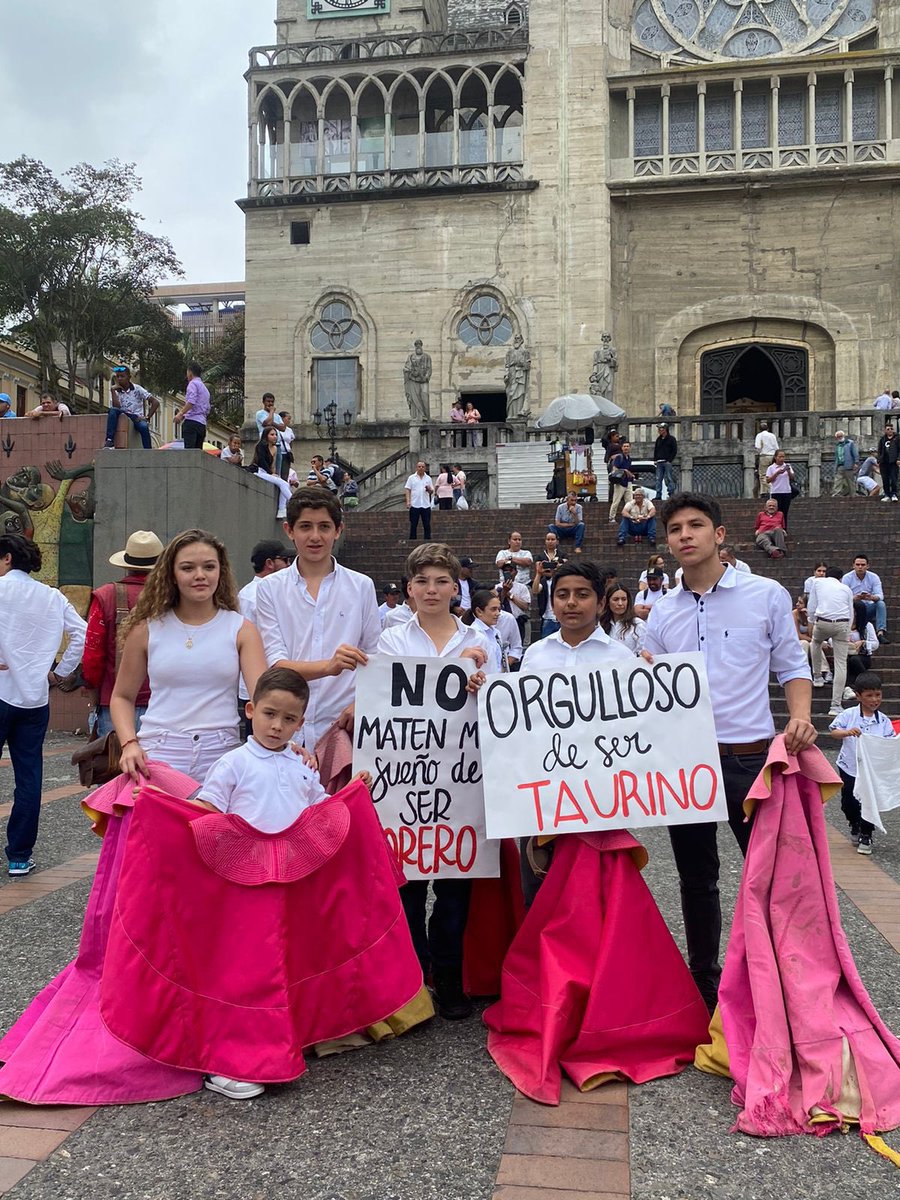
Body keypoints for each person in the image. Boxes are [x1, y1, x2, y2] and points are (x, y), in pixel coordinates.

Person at [643, 492, 814, 1010]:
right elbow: (651, 686)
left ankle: (785, 977)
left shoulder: (765, 594)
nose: (685, 536)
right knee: (696, 878)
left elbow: (791, 665)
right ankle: (705, 979)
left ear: (719, 534)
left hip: (748, 756)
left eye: (696, 525)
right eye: (675, 529)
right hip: (686, 761)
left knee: (769, 875)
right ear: (668, 542)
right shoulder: (662, 612)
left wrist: (801, 718)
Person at [196, 665, 371, 1099]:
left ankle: (286, 1036)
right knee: (249, 970)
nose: (277, 726)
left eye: (289, 719)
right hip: (245, 886)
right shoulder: (232, 763)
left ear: (301, 722)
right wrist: (161, 808)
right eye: (269, 714)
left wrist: (354, 793)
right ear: (250, 709)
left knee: (287, 963)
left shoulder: (299, 763)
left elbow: (323, 810)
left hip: (294, 882)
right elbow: (204, 811)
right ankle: (234, 1057)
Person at [377, 543, 488, 1019]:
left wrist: (484, 686)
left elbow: (497, 713)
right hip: (405, 782)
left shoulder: (482, 640)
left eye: (441, 580)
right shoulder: (391, 641)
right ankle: (416, 980)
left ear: (456, 587)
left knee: (455, 890)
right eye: (422, 581)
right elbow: (382, 704)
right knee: (407, 889)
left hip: (462, 781)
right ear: (408, 589)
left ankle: (449, 977)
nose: (432, 589)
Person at [111, 530, 268, 785]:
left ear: (221, 571)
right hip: (159, 752)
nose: (200, 575)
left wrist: (284, 743)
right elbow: (122, 696)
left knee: (213, 826)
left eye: (209, 567)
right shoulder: (146, 629)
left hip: (221, 753)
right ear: (171, 574)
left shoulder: (242, 629)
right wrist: (129, 743)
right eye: (187, 568)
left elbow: (263, 698)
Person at [255, 488, 381, 750]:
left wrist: (363, 703)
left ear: (338, 530)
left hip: (344, 726)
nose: (315, 536)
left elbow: (375, 656)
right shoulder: (269, 589)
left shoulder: (361, 586)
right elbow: (276, 663)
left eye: (324, 527)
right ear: (289, 530)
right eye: (305, 527)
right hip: (285, 730)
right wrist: (329, 666)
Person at [0, 534, 86, 875]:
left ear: (6, 558)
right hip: (34, 698)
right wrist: (58, 673)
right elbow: (81, 634)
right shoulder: (53, 597)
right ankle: (19, 855)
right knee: (29, 777)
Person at [81, 530, 164, 739]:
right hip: (163, 703)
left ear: (126, 564)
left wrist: (91, 685)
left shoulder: (106, 596)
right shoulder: (173, 598)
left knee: (114, 767)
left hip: (113, 701)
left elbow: (93, 652)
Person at [828, 671, 895, 856]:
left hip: (871, 770)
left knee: (868, 801)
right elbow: (834, 731)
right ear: (858, 696)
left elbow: (888, 744)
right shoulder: (849, 715)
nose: (874, 700)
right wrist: (848, 732)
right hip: (849, 766)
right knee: (848, 801)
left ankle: (867, 834)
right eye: (869, 695)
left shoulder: (883, 721)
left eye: (878, 695)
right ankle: (854, 822)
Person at [237, 540, 294, 740]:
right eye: (285, 560)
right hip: (264, 678)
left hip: (251, 680)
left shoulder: (245, 592)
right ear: (270, 563)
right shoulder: (261, 594)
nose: (289, 564)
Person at [807, 566, 854, 717]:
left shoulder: (817, 583)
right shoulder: (846, 588)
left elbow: (812, 605)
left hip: (823, 621)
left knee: (815, 642)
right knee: (841, 663)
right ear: (840, 578)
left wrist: (812, 619)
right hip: (842, 622)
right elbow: (851, 611)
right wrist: (847, 630)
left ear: (827, 575)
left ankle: (818, 676)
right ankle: (835, 705)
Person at [104, 367, 157, 449]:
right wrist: (113, 391)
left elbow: (155, 402)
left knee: (144, 427)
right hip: (124, 414)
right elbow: (116, 407)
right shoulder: (116, 390)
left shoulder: (137, 388)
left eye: (122, 376)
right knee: (112, 410)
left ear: (129, 377)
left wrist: (147, 417)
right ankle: (110, 440)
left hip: (136, 416)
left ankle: (148, 451)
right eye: (118, 377)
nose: (119, 379)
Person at [841, 554, 889, 643]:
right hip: (854, 609)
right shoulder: (847, 577)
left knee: (881, 603)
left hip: (868, 606)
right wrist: (854, 598)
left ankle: (880, 632)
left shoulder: (874, 577)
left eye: (863, 565)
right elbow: (842, 597)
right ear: (853, 565)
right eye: (858, 564)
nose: (860, 567)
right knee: (858, 604)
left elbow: (880, 595)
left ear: (867, 566)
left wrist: (871, 597)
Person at [251, 429, 294, 520]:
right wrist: (271, 473)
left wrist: (273, 473)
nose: (275, 437)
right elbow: (261, 461)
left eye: (275, 435)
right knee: (283, 483)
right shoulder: (261, 446)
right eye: (272, 434)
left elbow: (272, 464)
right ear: (266, 436)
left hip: (267, 472)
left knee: (284, 483)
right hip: (259, 471)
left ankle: (282, 509)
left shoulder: (274, 448)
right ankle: (292, 502)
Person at [462, 588, 507, 673]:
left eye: (499, 609)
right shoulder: (472, 635)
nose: (498, 613)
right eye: (493, 609)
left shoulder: (496, 633)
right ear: (479, 611)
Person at [531, 532, 566, 638]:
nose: (550, 542)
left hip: (562, 619)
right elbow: (535, 590)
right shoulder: (543, 582)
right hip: (547, 619)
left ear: (557, 541)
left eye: (553, 539)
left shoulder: (563, 583)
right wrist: (538, 573)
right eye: (548, 539)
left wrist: (560, 567)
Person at [600, 582, 646, 655]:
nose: (620, 603)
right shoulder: (600, 625)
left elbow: (643, 652)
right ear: (607, 602)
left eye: (624, 599)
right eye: (616, 599)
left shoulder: (638, 625)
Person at [173, 362, 210, 450]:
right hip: (202, 423)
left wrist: (181, 413)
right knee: (197, 452)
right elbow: (208, 408)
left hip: (191, 422)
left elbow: (191, 401)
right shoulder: (205, 389)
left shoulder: (192, 384)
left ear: (190, 372)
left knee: (189, 452)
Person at [498, 560, 531, 643]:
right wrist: (504, 591)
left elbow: (525, 606)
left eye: (510, 570)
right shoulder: (497, 587)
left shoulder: (522, 587)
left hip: (518, 620)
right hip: (503, 622)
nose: (508, 573)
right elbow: (497, 604)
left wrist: (510, 596)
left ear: (516, 572)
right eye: (505, 571)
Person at [404, 460, 434, 541]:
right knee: (413, 524)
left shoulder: (428, 478)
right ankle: (413, 540)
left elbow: (432, 491)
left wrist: (429, 489)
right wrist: (408, 501)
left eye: (423, 467)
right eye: (419, 466)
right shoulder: (411, 478)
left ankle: (427, 540)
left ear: (425, 468)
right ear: (416, 468)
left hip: (425, 504)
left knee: (427, 524)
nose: (421, 468)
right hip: (414, 504)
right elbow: (407, 489)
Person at [764, 449, 795, 527]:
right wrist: (777, 473)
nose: (782, 459)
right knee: (776, 511)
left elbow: (792, 477)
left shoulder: (788, 466)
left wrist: (788, 471)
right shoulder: (771, 468)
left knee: (784, 512)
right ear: (775, 457)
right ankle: (775, 527)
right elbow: (768, 480)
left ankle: (784, 528)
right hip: (776, 492)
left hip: (786, 491)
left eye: (783, 457)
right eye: (780, 457)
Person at [607, 439, 635, 523]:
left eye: (627, 446)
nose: (626, 448)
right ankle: (611, 517)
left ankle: (629, 517)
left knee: (629, 501)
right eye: (624, 446)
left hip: (628, 481)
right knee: (616, 500)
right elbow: (615, 468)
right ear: (621, 448)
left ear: (630, 448)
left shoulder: (629, 458)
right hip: (620, 482)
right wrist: (625, 471)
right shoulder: (619, 457)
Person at [653, 423, 678, 500]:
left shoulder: (671, 439)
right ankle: (658, 495)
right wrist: (655, 459)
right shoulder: (658, 439)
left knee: (669, 478)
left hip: (667, 462)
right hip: (659, 462)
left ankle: (671, 494)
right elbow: (656, 450)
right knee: (658, 479)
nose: (659, 430)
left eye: (661, 428)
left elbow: (674, 450)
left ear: (665, 429)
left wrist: (669, 460)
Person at [754, 421, 779, 495]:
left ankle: (772, 488)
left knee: (763, 475)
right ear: (768, 428)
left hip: (764, 456)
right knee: (772, 473)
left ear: (759, 429)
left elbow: (758, 446)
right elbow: (776, 447)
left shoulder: (759, 435)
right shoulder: (772, 435)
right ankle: (764, 492)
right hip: (773, 456)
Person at [831, 430, 859, 498]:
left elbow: (855, 453)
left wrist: (856, 462)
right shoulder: (837, 445)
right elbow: (837, 457)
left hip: (848, 464)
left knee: (850, 481)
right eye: (838, 437)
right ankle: (836, 493)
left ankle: (853, 494)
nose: (839, 437)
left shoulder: (850, 443)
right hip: (840, 465)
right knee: (838, 480)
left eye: (841, 436)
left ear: (843, 436)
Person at [877, 422, 900, 502]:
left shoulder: (897, 438)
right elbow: (879, 450)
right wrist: (879, 459)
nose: (890, 430)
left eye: (891, 429)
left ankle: (894, 494)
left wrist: (898, 459)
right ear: (885, 430)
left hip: (893, 462)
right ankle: (887, 494)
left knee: (894, 478)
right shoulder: (882, 439)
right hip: (884, 462)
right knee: (885, 479)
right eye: (888, 429)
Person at [277, 413, 295, 481]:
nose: (289, 421)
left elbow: (291, 441)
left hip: (286, 454)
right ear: (282, 418)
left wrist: (289, 450)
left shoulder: (289, 430)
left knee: (285, 474)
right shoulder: (276, 428)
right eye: (288, 418)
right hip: (278, 453)